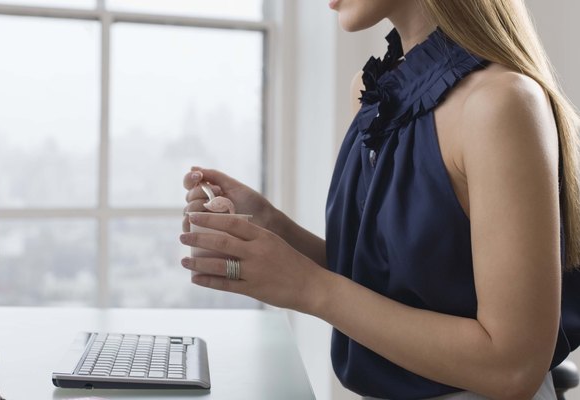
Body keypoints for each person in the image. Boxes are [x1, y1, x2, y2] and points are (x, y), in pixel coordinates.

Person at [179, 0, 580, 398]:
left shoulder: (500, 103)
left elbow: (513, 368)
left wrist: (308, 287)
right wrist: (273, 227)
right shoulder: (378, 92)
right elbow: (391, 285)